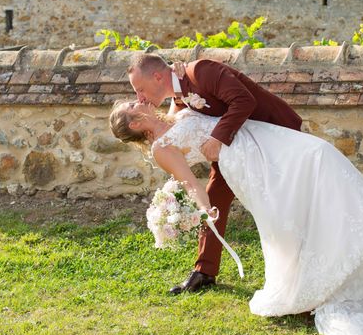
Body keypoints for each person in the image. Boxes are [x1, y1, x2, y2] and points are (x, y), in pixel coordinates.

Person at [109, 100, 363, 335]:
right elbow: (189, 180)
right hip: (245, 162)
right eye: (133, 105)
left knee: (321, 156)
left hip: (262, 136)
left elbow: (178, 87)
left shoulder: (173, 108)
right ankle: (313, 282)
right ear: (135, 123)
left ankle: (342, 253)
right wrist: (205, 208)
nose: (140, 99)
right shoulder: (162, 148)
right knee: (286, 217)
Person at [127, 54, 303, 294]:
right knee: (214, 199)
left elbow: (243, 100)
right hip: (232, 152)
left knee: (279, 203)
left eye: (140, 89)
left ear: (157, 77)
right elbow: (176, 115)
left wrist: (217, 139)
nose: (139, 97)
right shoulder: (177, 92)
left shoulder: (200, 71)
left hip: (272, 132)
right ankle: (204, 272)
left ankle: (299, 268)